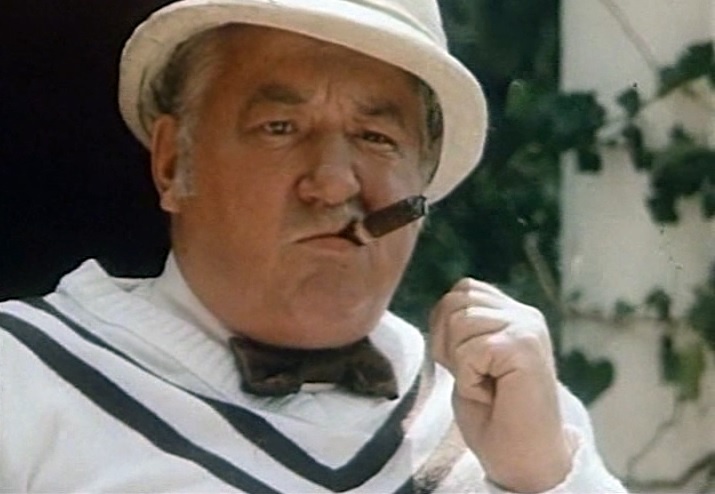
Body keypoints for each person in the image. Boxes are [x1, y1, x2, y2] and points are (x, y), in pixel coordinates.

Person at [0, 0, 627, 492]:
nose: (333, 183)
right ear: (172, 164)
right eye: (280, 128)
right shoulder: (23, 380)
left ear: (422, 185)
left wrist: (542, 480)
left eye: (377, 137)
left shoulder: (506, 413)